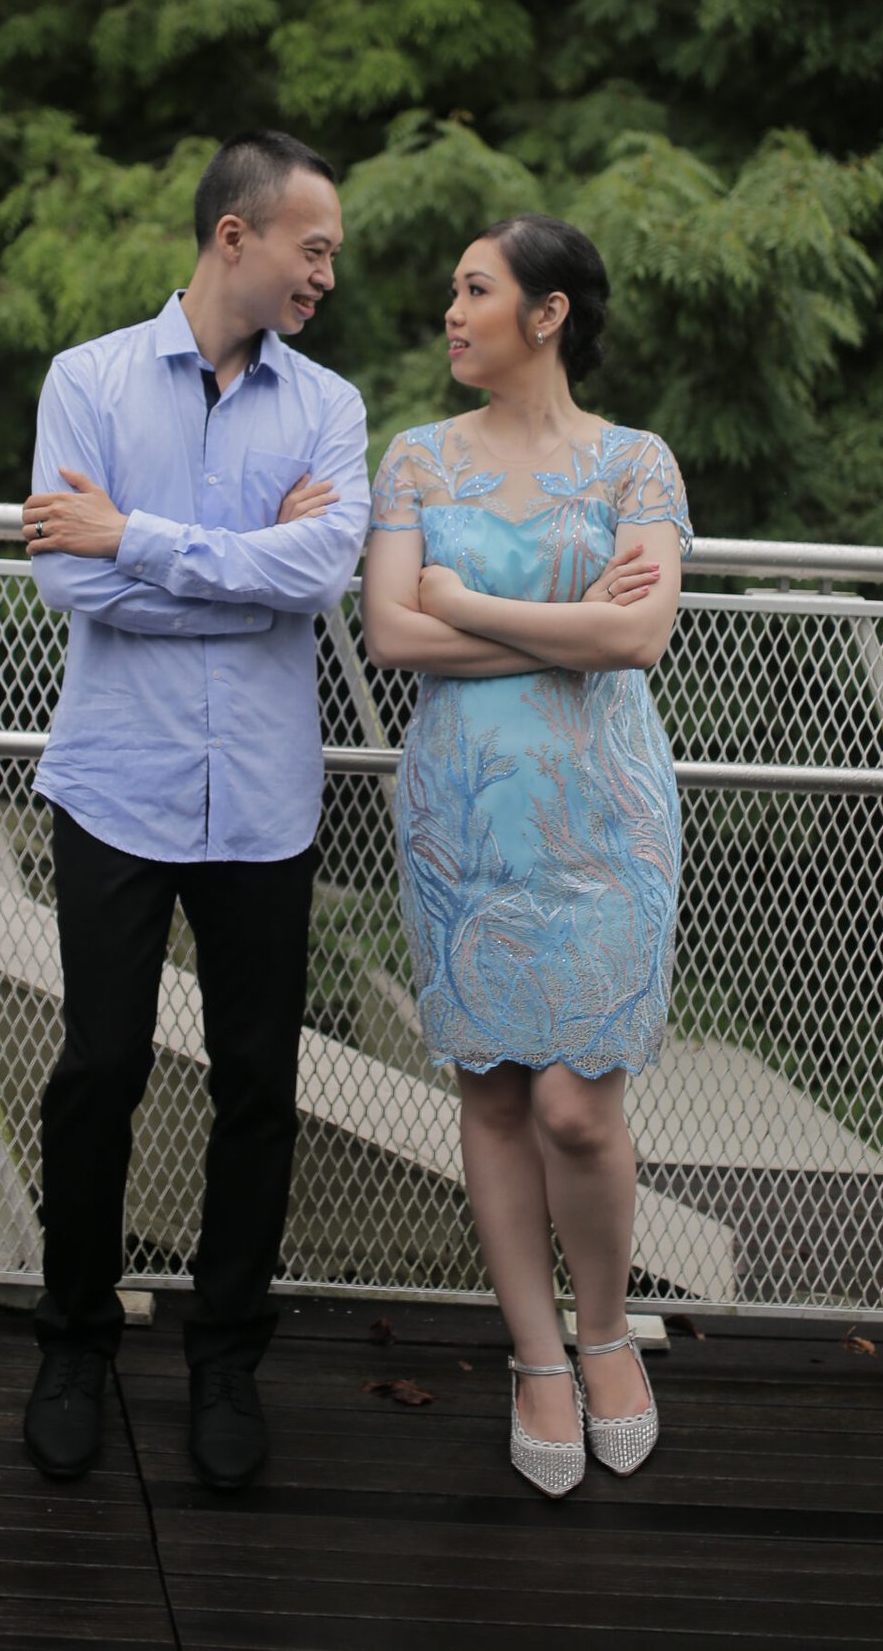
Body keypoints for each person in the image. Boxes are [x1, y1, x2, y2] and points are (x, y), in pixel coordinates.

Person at [20, 131, 370, 1492]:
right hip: (117, 782)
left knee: (258, 1088)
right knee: (98, 1072)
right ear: (237, 235)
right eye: (313, 248)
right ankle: (73, 1346)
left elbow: (319, 577)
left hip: (265, 802)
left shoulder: (328, 408)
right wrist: (243, 570)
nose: (326, 275)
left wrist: (138, 536)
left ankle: (226, 1362)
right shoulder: (88, 380)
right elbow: (72, 585)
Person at [360, 213, 690, 1498]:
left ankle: (606, 1333)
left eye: (475, 290)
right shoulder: (415, 461)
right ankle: (537, 1357)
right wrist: (561, 622)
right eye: (453, 292)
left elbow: (637, 641)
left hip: (606, 817)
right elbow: (392, 639)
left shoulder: (635, 465)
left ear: (546, 314)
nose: (451, 313)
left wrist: (465, 604)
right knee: (494, 1093)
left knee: (576, 1106)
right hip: (461, 815)